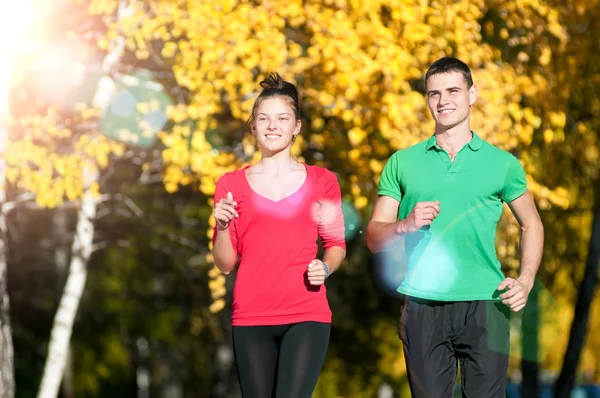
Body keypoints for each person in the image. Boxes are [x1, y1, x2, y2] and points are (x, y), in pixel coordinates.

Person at [365, 57, 544, 397]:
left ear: (472, 94)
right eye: (434, 93)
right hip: (422, 303)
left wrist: (526, 279)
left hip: (487, 303)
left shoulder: (503, 164)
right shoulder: (402, 162)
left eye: (452, 91)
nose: (443, 100)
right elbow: (374, 236)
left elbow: (531, 224)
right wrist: (405, 224)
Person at [211, 73, 346, 398]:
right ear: (253, 127)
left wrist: (325, 267)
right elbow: (225, 264)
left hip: (306, 313)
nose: (273, 126)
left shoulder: (322, 181)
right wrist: (224, 227)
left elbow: (336, 245)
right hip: (251, 316)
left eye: (282, 118)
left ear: (296, 126)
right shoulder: (229, 185)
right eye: (264, 119)